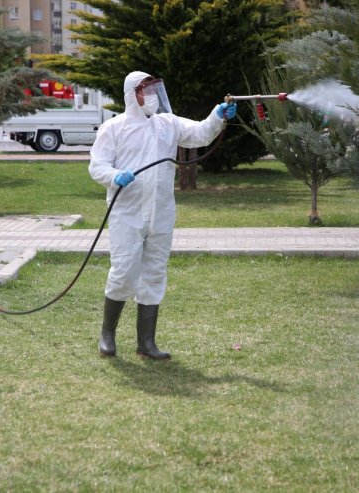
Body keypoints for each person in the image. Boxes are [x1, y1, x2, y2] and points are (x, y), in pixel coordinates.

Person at [89, 71, 237, 360]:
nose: (153, 96)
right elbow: (97, 166)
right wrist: (115, 175)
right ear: (133, 94)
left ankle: (146, 342)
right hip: (127, 213)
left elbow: (200, 134)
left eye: (156, 89)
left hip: (161, 213)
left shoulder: (167, 124)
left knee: (154, 273)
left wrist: (218, 115)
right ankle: (107, 335)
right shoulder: (114, 128)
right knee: (124, 272)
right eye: (148, 90)